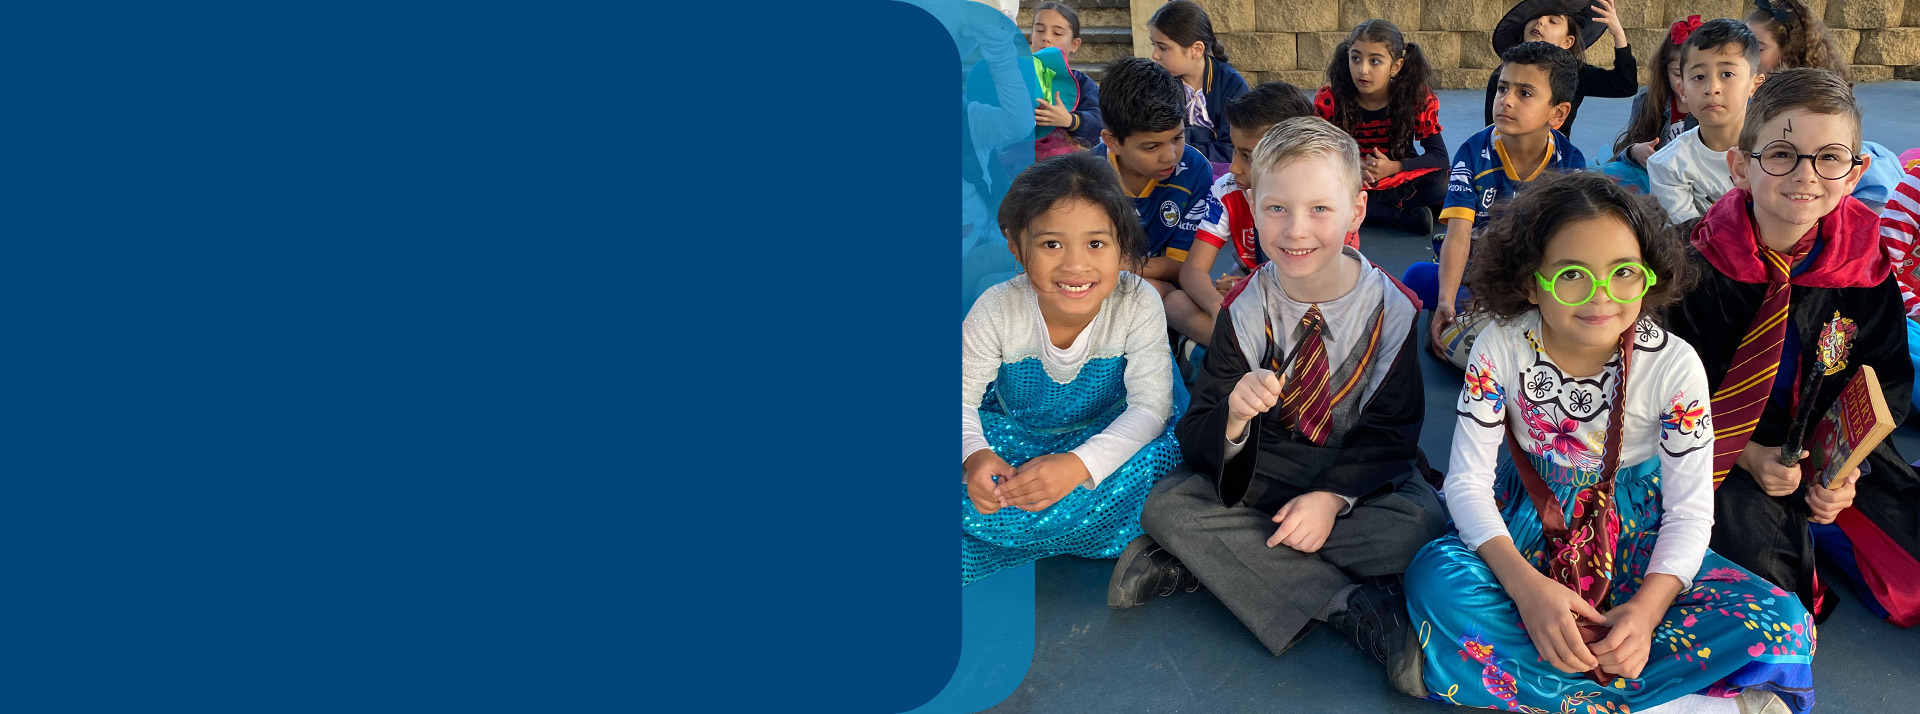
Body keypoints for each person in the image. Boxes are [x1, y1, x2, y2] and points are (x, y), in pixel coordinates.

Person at [1398, 170, 1813, 714]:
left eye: (1624, 273)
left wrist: (1644, 613)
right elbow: (1468, 484)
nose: (1601, 296)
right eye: (1572, 275)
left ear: (1648, 277)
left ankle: (1545, 683)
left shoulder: (1675, 365)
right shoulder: (1500, 344)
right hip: (1526, 526)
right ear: (1530, 281)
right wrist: (1528, 591)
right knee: (1434, 579)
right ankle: (1666, 700)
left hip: (1639, 538)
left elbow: (1690, 514)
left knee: (1783, 621)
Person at [1111, 117, 1448, 665]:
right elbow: (1195, 436)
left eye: (1320, 209)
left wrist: (1331, 498)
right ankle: (1347, 605)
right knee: (1168, 506)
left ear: (1356, 211)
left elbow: (1392, 434)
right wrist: (1233, 418)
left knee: (1419, 526)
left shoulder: (1394, 311)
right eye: (1276, 209)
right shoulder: (1242, 309)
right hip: (1265, 469)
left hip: (1353, 473)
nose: (1296, 230)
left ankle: (1209, 561)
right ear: (1252, 207)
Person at [1665, 68, 1920, 628]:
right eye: (1781, 154)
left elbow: (1888, 380)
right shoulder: (1690, 264)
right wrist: (1749, 455)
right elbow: (1663, 391)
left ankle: (1821, 522)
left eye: (1830, 158)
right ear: (1739, 167)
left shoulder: (1864, 267)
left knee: (1912, 578)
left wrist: (1844, 470)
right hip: (1724, 452)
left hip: (1824, 456)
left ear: (1854, 175)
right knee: (1768, 604)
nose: (1806, 176)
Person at [960, 153, 1186, 586]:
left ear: (1121, 244)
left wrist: (1077, 466)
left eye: (1096, 244)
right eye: (1051, 244)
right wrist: (976, 457)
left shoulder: (1138, 301)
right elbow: (960, 399)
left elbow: (1151, 409)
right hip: (1017, 438)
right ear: (1015, 246)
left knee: (1164, 466)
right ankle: (1089, 530)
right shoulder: (995, 309)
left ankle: (1022, 531)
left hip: (1108, 435)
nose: (1075, 265)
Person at [1410, 42, 1587, 370]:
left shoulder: (1569, 163)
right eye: (1503, 88)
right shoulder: (1474, 151)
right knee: (1416, 279)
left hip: (1532, 279)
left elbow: (1568, 247)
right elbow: (1460, 234)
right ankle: (1461, 310)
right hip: (1476, 270)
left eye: (1525, 93)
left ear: (1558, 114)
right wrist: (1447, 298)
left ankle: (1499, 318)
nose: (1506, 100)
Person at [1164, 82, 1315, 364]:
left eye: (1248, 156)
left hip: (1300, 307)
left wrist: (1246, 289)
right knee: (1173, 302)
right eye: (1234, 150)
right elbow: (1193, 271)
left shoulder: (1320, 200)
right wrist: (1220, 308)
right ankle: (1252, 354)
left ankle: (1223, 353)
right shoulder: (1228, 190)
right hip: (1244, 308)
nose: (1234, 167)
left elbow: (1314, 288)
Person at [1089, 57, 1224, 299]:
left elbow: (1184, 266)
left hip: (1164, 290)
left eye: (1177, 138)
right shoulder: (1086, 178)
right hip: (1097, 284)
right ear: (1113, 141)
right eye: (1151, 147)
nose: (1170, 156)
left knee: (1161, 294)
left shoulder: (1195, 171)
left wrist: (1127, 267)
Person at [1313, 19, 1448, 236]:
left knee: (1440, 184)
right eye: (1355, 58)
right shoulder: (1332, 100)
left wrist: (1394, 167)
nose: (1362, 70)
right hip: (1351, 178)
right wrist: (1351, 165)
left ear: (1396, 66)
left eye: (1375, 61)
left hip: (1396, 176)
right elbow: (1315, 152)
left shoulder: (1414, 100)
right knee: (1315, 181)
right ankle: (1403, 217)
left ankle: (1359, 210)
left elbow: (1440, 157)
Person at [1648, 19, 1766, 224]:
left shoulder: (1779, 151)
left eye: (1727, 74)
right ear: (1682, 89)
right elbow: (1688, 239)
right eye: (1699, 77)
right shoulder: (1668, 165)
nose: (1712, 88)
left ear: (1754, 84)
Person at [1480, 0, 1637, 138]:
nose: (1540, 21)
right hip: (1507, 155)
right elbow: (1492, 128)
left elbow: (1625, 85)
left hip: (1555, 161)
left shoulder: (1577, 74)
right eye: (1535, 17)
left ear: (1567, 42)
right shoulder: (1504, 75)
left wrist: (1619, 35)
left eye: (1553, 21)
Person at [1597, 15, 1699, 193]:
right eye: (1677, 73)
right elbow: (1624, 149)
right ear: (1664, 70)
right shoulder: (1649, 100)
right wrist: (1635, 151)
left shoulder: (1714, 103)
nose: (1685, 83)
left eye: (1697, 75)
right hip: (1650, 181)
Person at [1146, 0, 1249, 167]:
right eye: (1154, 45)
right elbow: (1156, 138)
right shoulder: (1159, 83)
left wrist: (1183, 138)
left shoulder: (1231, 85)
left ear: (1196, 49)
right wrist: (1206, 135)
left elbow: (1231, 149)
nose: (1155, 55)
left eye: (1163, 47)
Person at [1028, 2, 1104, 155]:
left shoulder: (1082, 84)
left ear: (1074, 44)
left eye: (1057, 33)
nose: (1046, 38)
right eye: (1039, 30)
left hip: (1065, 168)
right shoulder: (1017, 77)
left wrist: (1070, 120)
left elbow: (1099, 122)